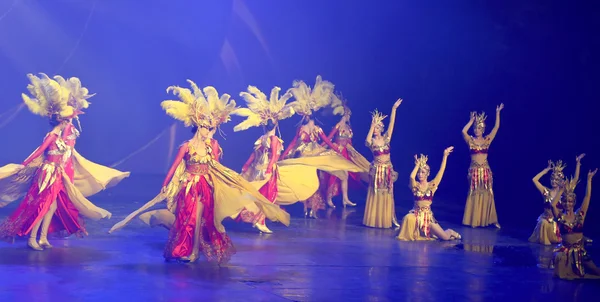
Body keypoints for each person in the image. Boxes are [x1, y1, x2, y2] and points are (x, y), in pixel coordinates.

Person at [109, 81, 289, 264]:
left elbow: (216, 167)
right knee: (187, 219)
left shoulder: (212, 147)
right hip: (188, 187)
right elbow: (174, 167)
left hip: (204, 187)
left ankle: (194, 251)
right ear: (198, 126)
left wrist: (227, 182)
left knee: (201, 220)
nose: (208, 130)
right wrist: (165, 185)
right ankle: (186, 249)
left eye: (209, 127)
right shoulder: (186, 146)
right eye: (205, 127)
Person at [0, 73, 129, 250]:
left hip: (57, 172)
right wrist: (24, 164)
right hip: (47, 173)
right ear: (62, 120)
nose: (70, 121)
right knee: (43, 206)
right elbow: (40, 150)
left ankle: (44, 238)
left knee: (51, 207)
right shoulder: (53, 135)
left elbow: (65, 151)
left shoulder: (60, 136)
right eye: (67, 119)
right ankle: (32, 239)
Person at [281, 76, 365, 218]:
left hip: (314, 156)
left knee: (315, 180)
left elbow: (327, 140)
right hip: (303, 157)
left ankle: (312, 207)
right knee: (304, 180)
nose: (306, 118)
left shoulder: (317, 129)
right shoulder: (301, 129)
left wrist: (335, 149)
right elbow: (294, 142)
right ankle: (305, 206)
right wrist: (284, 155)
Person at [397, 148, 461, 240]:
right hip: (416, 215)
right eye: (419, 172)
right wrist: (417, 165)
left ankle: (450, 232)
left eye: (423, 172)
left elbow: (441, 171)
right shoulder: (415, 186)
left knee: (445, 238)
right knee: (408, 217)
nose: (420, 174)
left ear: (428, 174)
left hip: (428, 218)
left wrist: (445, 156)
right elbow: (411, 177)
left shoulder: (432, 185)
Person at [319, 94, 370, 208]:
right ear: (344, 114)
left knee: (345, 175)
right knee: (335, 175)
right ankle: (329, 198)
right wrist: (324, 146)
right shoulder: (338, 126)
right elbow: (329, 137)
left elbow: (349, 141)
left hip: (346, 153)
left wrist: (352, 152)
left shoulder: (348, 127)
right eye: (348, 115)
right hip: (337, 152)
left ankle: (345, 199)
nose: (349, 117)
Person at [551, 169, 600, 279]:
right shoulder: (560, 216)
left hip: (580, 252)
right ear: (562, 203)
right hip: (565, 254)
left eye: (570, 201)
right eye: (565, 201)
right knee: (566, 276)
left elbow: (587, 197)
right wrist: (561, 190)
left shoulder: (580, 215)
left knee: (595, 271)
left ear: (574, 202)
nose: (567, 204)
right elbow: (553, 205)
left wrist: (589, 180)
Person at [461, 104, 504, 228]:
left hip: (485, 170)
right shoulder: (470, 140)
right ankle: (474, 220)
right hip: (474, 170)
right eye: (475, 128)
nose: (476, 130)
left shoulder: (487, 140)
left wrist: (497, 113)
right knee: (473, 192)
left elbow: (496, 127)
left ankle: (491, 219)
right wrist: (471, 121)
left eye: (479, 128)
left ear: (483, 130)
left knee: (488, 193)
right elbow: (463, 131)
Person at [363, 99, 402, 228]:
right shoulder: (372, 141)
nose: (376, 129)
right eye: (375, 127)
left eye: (378, 127)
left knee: (388, 192)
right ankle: (375, 219)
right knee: (376, 192)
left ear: (381, 128)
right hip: (377, 170)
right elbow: (367, 141)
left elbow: (392, 123)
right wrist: (371, 125)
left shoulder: (386, 138)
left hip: (387, 170)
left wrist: (394, 109)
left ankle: (388, 218)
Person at [529, 156, 583, 245]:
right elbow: (534, 180)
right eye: (552, 179)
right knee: (543, 222)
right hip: (546, 220)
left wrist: (578, 163)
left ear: (561, 180)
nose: (554, 181)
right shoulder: (546, 191)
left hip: (558, 222)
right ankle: (545, 244)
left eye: (557, 179)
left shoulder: (563, 193)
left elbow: (576, 179)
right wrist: (546, 170)